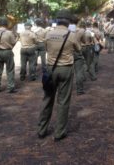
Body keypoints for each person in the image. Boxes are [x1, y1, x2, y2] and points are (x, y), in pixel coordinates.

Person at [38, 9, 81, 141]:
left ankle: (42, 130)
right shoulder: (71, 35)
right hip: (66, 69)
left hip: (51, 69)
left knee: (47, 99)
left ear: (57, 21)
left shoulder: (48, 34)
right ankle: (59, 132)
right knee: (63, 101)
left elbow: (45, 48)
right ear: (68, 23)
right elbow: (78, 49)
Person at [0, 16, 17, 93]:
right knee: (10, 70)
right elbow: (13, 42)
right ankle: (10, 88)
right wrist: (17, 39)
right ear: (6, 24)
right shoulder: (9, 33)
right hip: (8, 52)